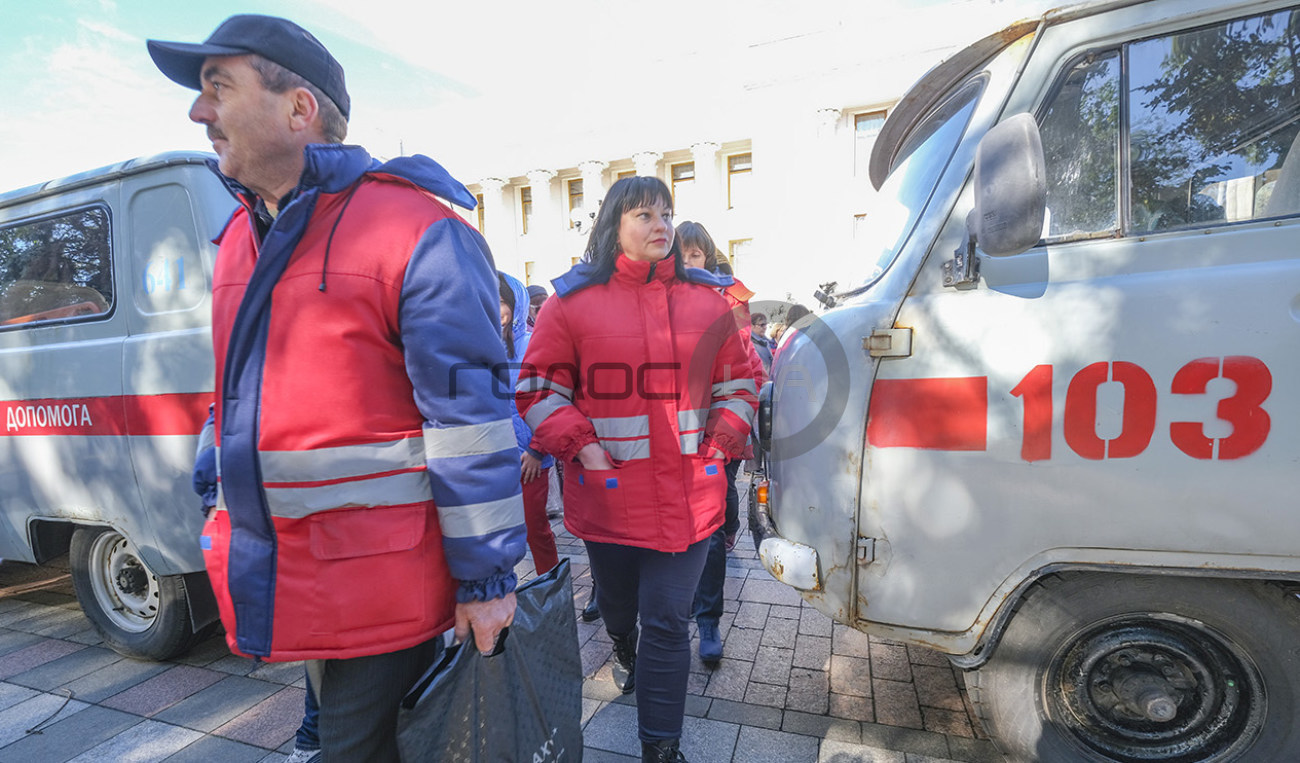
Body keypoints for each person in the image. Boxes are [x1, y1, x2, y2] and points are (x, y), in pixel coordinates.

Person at [149, 15, 524, 761]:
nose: (199, 112)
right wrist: (210, 485)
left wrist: (487, 580)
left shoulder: (415, 230)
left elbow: (470, 420)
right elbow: (229, 397)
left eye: (218, 87)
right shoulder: (236, 243)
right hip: (301, 579)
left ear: (299, 109)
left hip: (390, 589)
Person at [517, 177, 757, 763]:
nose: (660, 224)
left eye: (666, 213)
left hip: (691, 500)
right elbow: (539, 388)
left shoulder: (710, 301)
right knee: (622, 610)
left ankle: (660, 748)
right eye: (644, 214)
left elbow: (741, 381)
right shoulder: (571, 304)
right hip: (608, 498)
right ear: (613, 227)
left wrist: (720, 445)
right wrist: (585, 447)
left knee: (670, 621)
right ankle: (621, 643)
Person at [675, 221, 765, 666]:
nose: (689, 262)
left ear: (708, 258)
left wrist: (722, 440)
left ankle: (708, 620)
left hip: (709, 439)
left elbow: (742, 374)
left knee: (709, 534)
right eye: (682, 253)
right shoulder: (653, 300)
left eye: (697, 254)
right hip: (659, 445)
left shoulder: (726, 307)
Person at [499, 271, 559, 575]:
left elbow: (549, 400)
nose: (495, 310)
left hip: (528, 458)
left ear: (515, 304)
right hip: (494, 457)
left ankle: (549, 589)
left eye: (501, 302)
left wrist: (536, 449)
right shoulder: (479, 346)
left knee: (536, 529)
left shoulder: (534, 344)